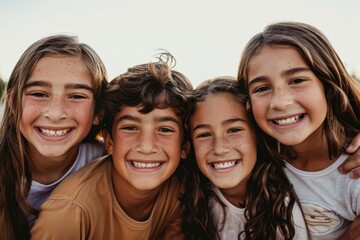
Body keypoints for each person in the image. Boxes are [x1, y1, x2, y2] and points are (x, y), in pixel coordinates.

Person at [31, 53, 193, 239]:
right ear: (109, 142)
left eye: (164, 129)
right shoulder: (69, 212)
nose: (146, 147)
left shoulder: (181, 190)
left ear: (185, 147)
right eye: (130, 128)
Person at [237, 21, 360, 239]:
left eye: (297, 80)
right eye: (262, 88)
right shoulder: (251, 159)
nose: (280, 102)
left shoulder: (354, 174)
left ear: (328, 84)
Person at [0, 35, 108, 240]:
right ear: (13, 102)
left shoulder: (107, 162)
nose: (56, 113)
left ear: (98, 111)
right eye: (39, 94)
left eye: (77, 96)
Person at [182, 76, 308, 239]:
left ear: (257, 135)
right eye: (204, 134)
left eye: (234, 130)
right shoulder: (188, 199)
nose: (219, 148)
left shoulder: (285, 204)